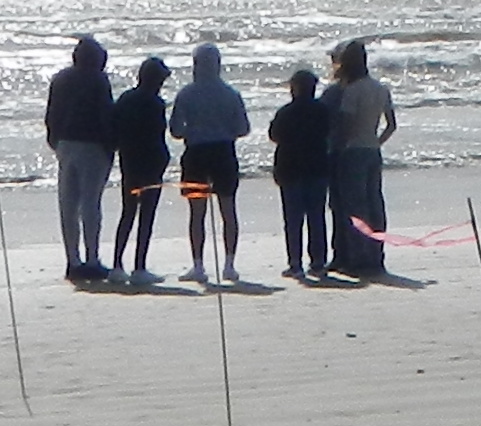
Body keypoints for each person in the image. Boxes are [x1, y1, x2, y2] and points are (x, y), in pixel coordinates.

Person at [171, 41, 254, 286]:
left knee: (197, 213)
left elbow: (175, 130)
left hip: (196, 152)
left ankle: (198, 265)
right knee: (228, 209)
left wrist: (194, 128)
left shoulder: (186, 93)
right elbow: (243, 128)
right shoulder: (230, 94)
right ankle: (229, 264)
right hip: (223, 151)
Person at [43, 34, 119, 286]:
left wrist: (54, 140)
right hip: (92, 144)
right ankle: (92, 259)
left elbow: (51, 114)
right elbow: (105, 115)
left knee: (68, 204)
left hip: (65, 143)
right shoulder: (98, 80)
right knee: (90, 204)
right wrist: (111, 147)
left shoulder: (61, 79)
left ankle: (72, 261)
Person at [326, 40, 397, 277]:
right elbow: (391, 125)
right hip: (372, 149)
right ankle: (376, 254)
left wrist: (337, 147)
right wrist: (377, 141)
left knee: (354, 206)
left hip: (352, 151)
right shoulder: (380, 88)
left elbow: (345, 125)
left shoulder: (352, 91)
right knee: (375, 203)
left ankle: (355, 256)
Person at [107, 55, 176, 287]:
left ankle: (117, 265)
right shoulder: (155, 103)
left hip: (129, 161)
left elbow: (114, 130)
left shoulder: (126, 99)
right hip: (151, 163)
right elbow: (158, 134)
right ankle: (139, 266)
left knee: (127, 212)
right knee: (146, 216)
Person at [266, 69, 335, 280]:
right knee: (316, 216)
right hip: (316, 167)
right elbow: (329, 132)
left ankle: (295, 263)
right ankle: (318, 262)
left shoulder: (285, 112)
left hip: (290, 167)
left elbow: (274, 135)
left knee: (293, 218)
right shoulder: (322, 111)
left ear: (294, 88)